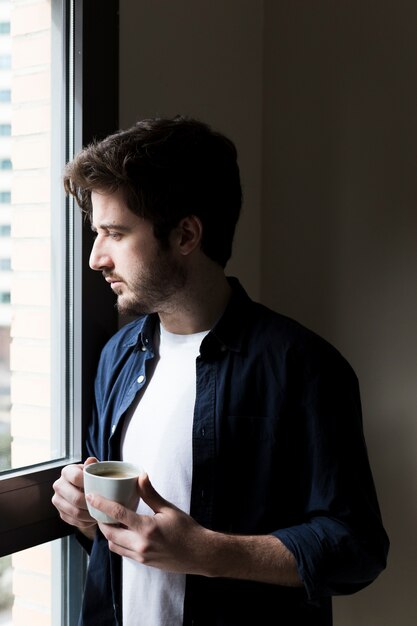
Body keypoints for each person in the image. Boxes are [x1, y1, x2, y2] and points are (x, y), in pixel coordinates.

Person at [52, 115, 389, 626]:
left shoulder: (304, 367)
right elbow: (120, 540)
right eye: (97, 233)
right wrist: (86, 516)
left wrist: (208, 552)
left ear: (186, 234)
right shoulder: (117, 356)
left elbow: (356, 546)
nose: (97, 257)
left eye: (115, 233)